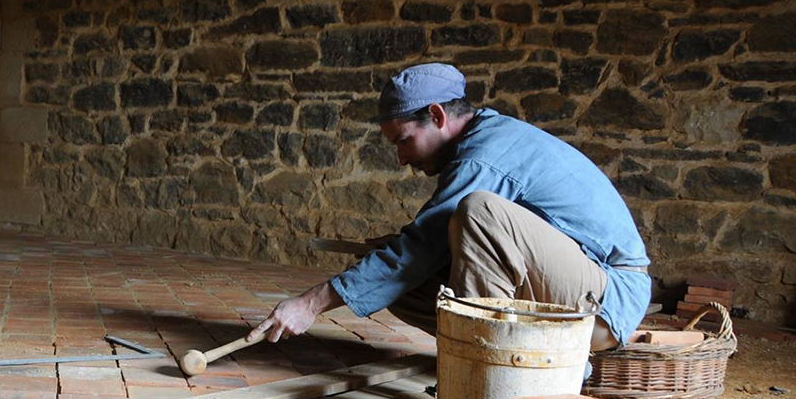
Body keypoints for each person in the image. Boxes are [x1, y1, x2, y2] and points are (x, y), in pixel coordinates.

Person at [251, 63, 651, 352]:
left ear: (438, 116)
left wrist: (310, 304)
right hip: (575, 293)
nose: (401, 159)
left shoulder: (484, 157)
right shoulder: (480, 143)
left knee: (479, 213)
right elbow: (423, 253)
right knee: (401, 282)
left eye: (403, 141)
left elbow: (422, 245)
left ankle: (498, 374)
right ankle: (511, 357)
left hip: (605, 302)